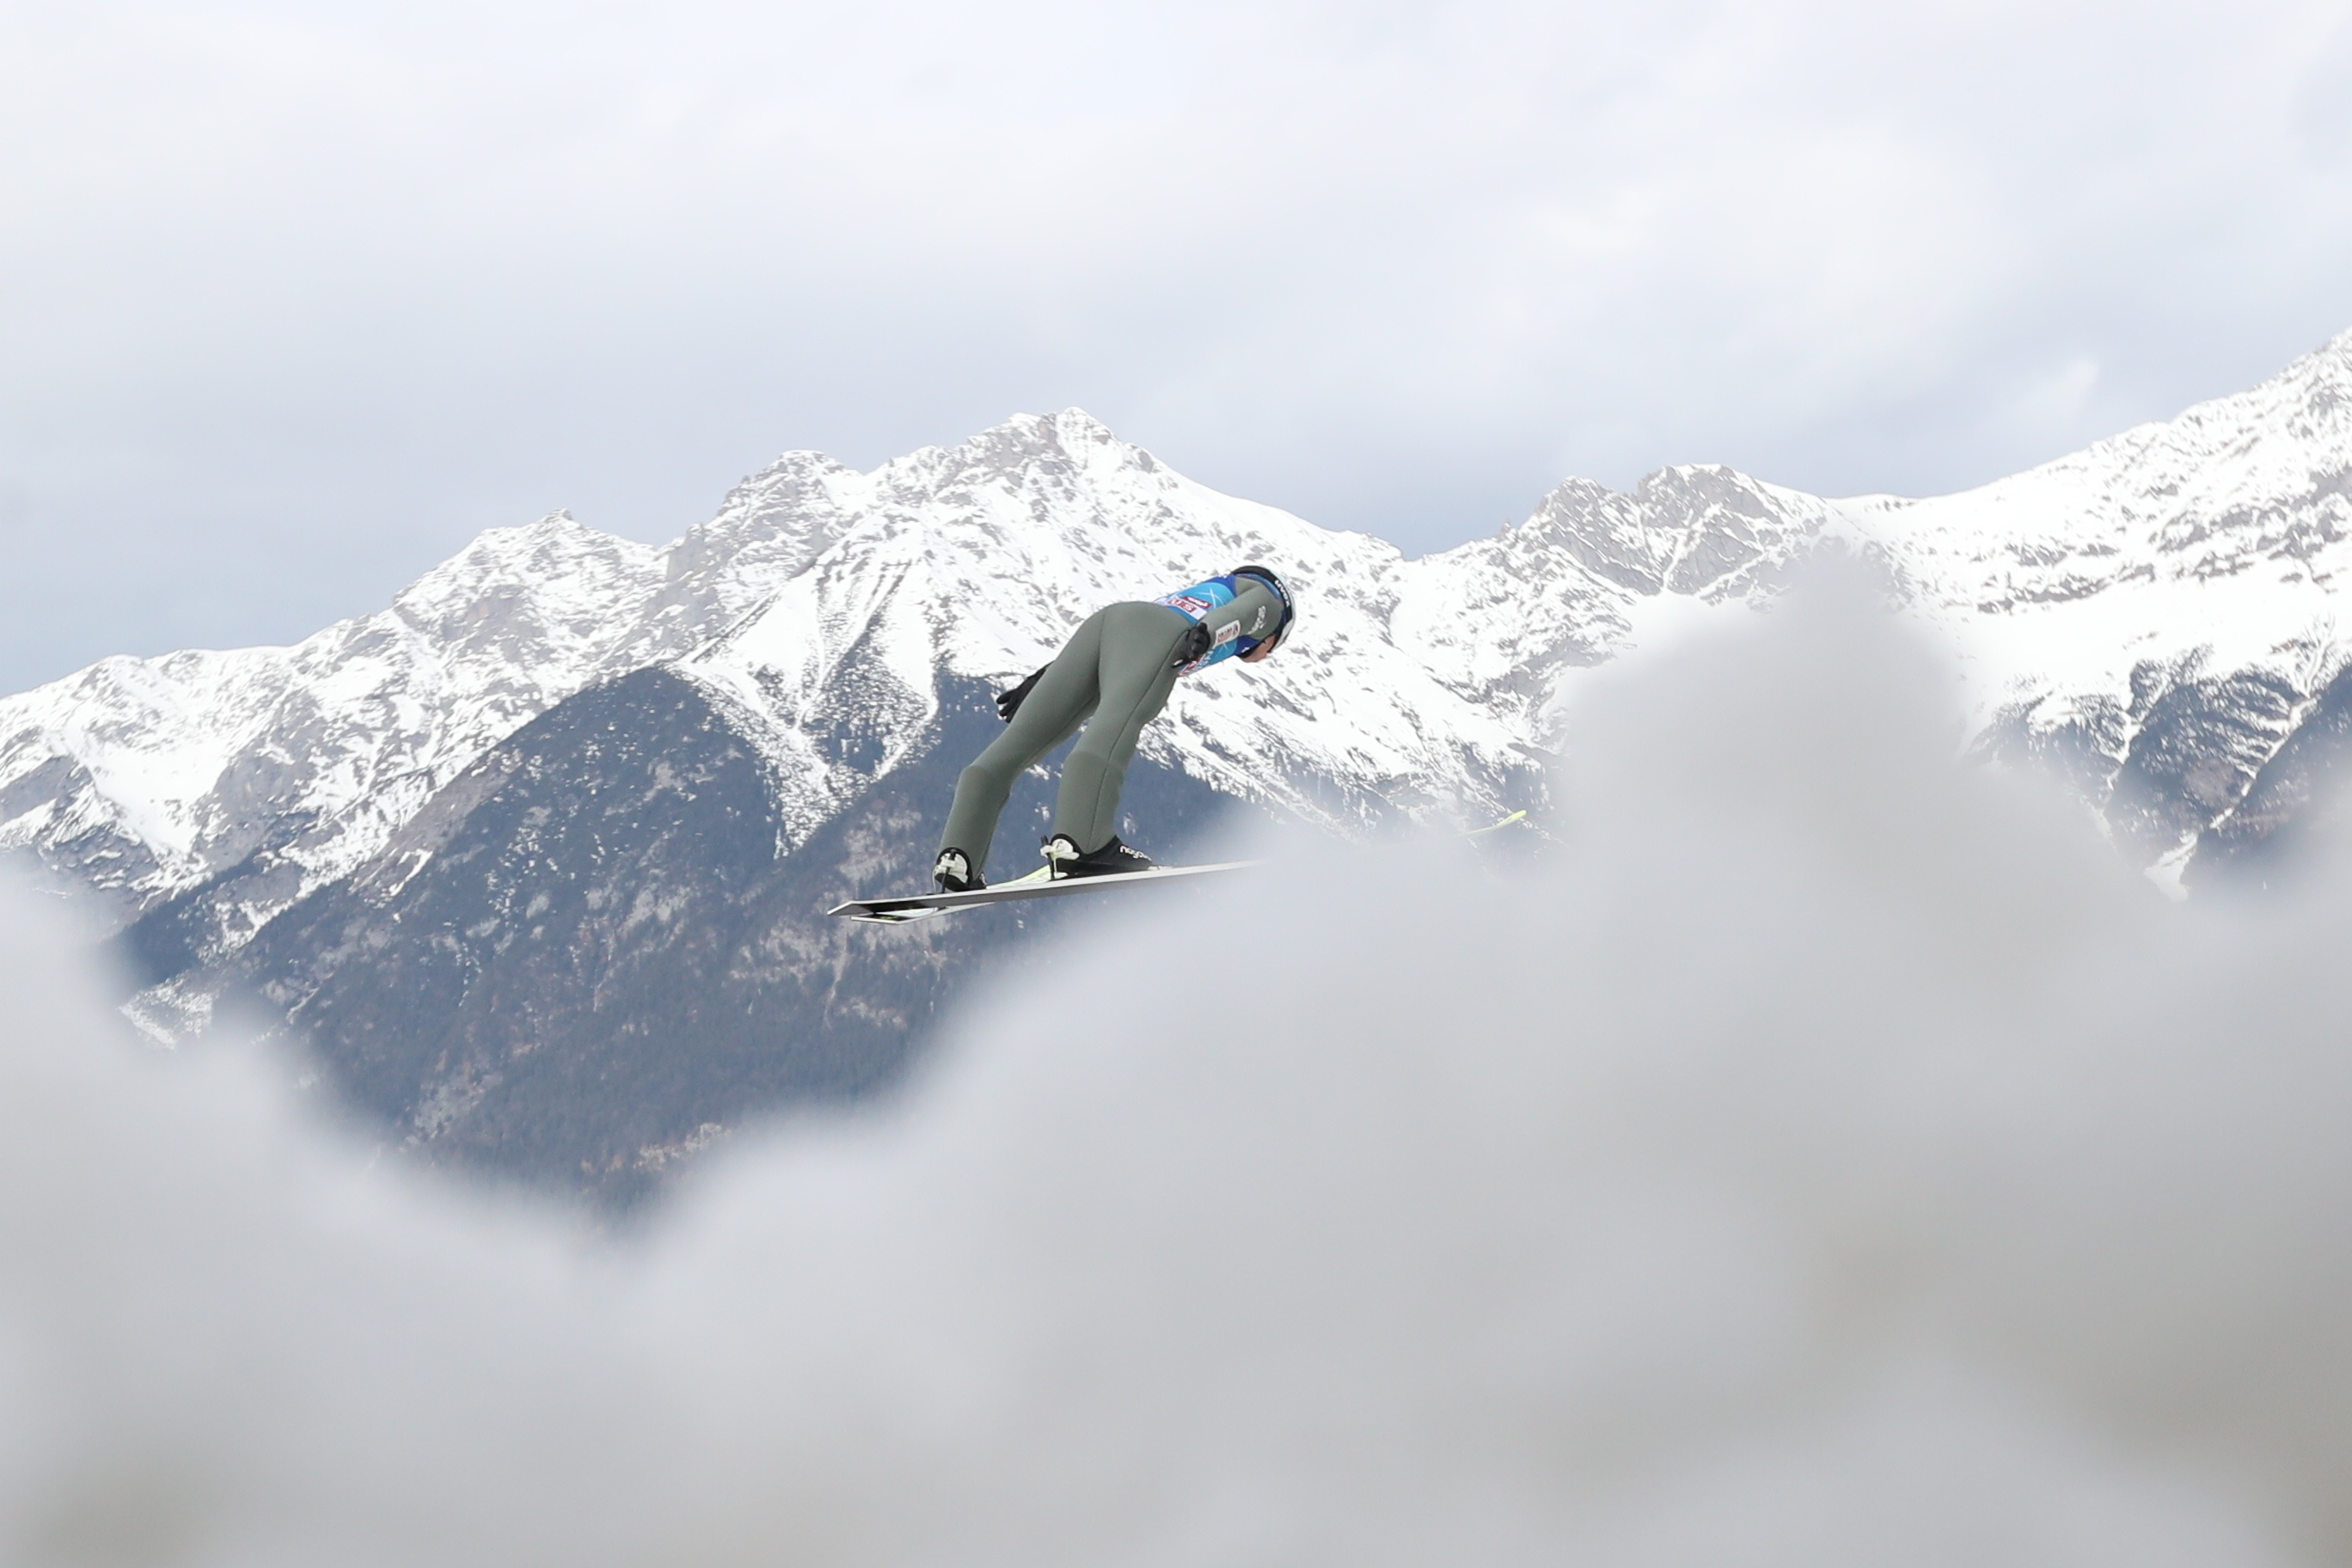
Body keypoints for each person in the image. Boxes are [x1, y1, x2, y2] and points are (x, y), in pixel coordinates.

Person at [933, 566, 1295, 890]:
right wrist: (1207, 634)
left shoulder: (1202, 593)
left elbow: (1123, 640)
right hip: (1165, 633)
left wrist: (1045, 677)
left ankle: (958, 857)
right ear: (1273, 637)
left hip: (1106, 625)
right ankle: (1083, 845)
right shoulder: (1272, 603)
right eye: (1273, 648)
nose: (1267, 654)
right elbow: (1241, 614)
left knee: (1017, 744)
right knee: (1115, 726)